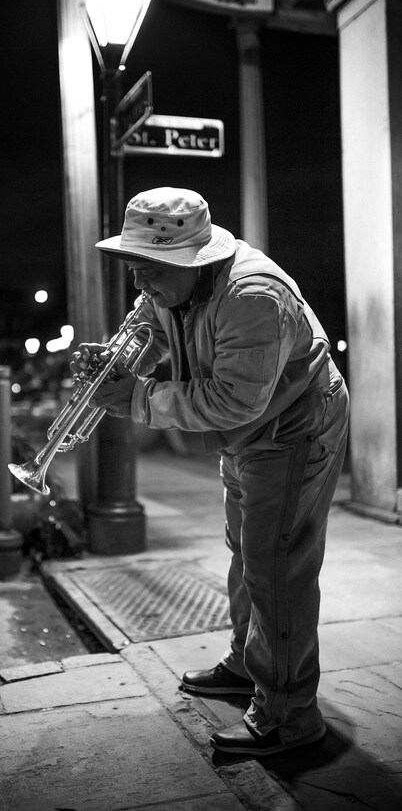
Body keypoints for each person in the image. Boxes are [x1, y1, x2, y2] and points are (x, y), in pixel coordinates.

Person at [71, 187, 349, 756]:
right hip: (252, 430)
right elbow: (148, 334)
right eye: (133, 267)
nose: (141, 283)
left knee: (277, 563)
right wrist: (118, 363)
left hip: (293, 425)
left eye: (150, 269)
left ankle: (290, 718)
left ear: (193, 260)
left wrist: (139, 399)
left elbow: (233, 399)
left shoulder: (253, 296)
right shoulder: (169, 282)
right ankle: (252, 667)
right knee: (247, 550)